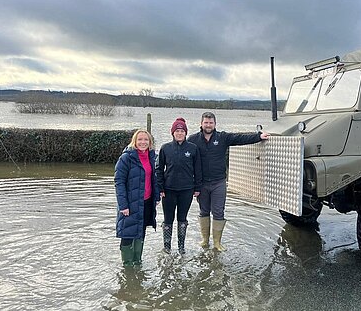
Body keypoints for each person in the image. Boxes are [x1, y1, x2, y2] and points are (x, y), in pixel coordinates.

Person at [188, 111, 269, 251]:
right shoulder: (193, 139)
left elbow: (240, 138)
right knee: (204, 211)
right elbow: (185, 157)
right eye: (206, 122)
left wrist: (258, 137)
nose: (208, 125)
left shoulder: (223, 137)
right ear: (201, 124)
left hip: (219, 182)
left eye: (211, 122)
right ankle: (204, 240)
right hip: (201, 184)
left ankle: (217, 243)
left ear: (215, 124)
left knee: (219, 212)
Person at [156, 117, 202, 254]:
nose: (180, 133)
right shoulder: (165, 148)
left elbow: (197, 169)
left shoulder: (193, 149)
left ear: (186, 133)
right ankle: (167, 247)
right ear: (172, 133)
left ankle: (181, 247)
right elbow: (159, 169)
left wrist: (197, 187)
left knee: (182, 219)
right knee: (168, 219)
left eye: (182, 131)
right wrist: (160, 188)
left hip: (186, 190)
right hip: (168, 190)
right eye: (177, 130)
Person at [114, 129, 160, 267]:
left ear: (150, 142)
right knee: (127, 234)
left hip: (146, 202)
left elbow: (155, 179)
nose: (143, 142)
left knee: (141, 231)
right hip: (129, 203)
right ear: (134, 141)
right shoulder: (126, 158)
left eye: (146, 140)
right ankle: (127, 266)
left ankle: (137, 261)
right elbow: (119, 182)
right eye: (140, 139)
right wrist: (123, 205)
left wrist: (156, 197)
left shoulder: (153, 157)